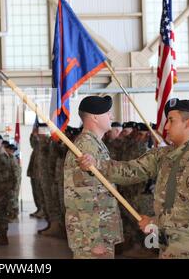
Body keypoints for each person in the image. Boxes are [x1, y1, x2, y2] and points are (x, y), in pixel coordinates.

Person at [77, 98, 189, 259]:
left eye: (171, 121)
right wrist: (97, 165)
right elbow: (132, 170)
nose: (166, 127)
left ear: (188, 123)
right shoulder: (166, 154)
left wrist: (155, 222)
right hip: (171, 243)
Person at [64, 95, 123, 259]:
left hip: (100, 229)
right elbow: (84, 196)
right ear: (95, 117)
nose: (111, 116)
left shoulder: (95, 143)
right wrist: (95, 239)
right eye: (108, 113)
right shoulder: (87, 146)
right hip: (93, 236)